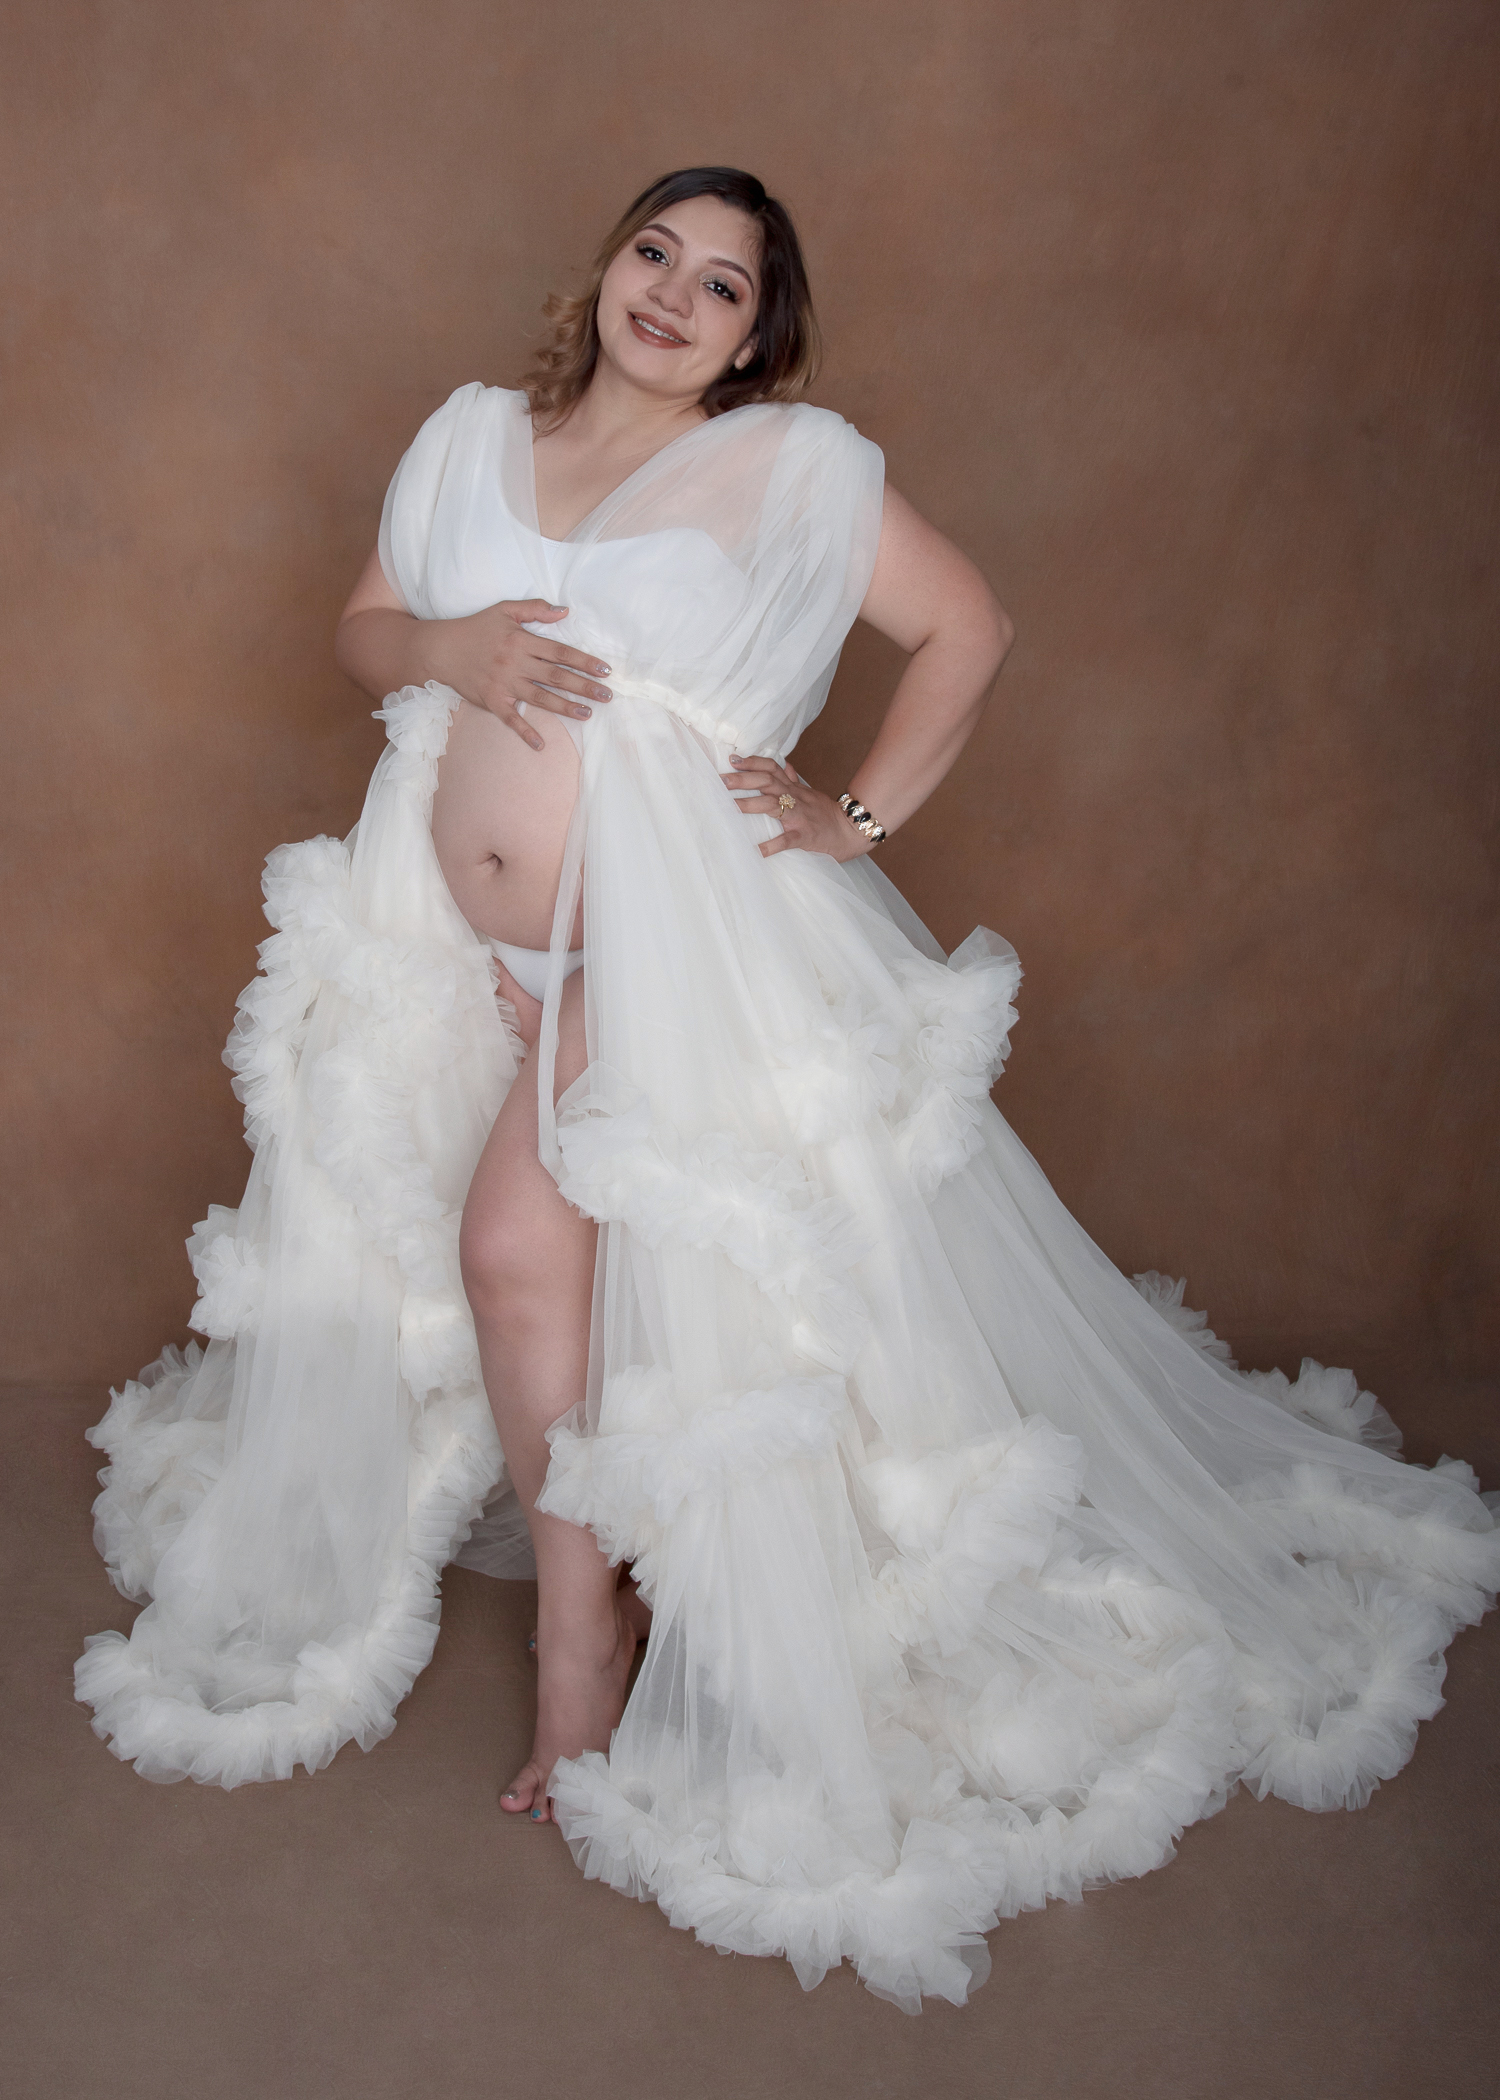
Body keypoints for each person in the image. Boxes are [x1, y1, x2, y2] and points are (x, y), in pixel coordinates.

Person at [77, 167, 1500, 2013]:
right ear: (608, 267)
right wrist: (445, 646)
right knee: (557, 1278)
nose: (674, 294)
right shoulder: (470, 436)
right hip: (462, 949)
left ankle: (581, 1645)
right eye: (655, 252)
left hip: (658, 945)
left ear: (758, 341)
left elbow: (969, 627)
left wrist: (857, 819)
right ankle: (620, 1578)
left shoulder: (791, 468)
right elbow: (366, 627)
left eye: (724, 285)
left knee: (513, 1245)